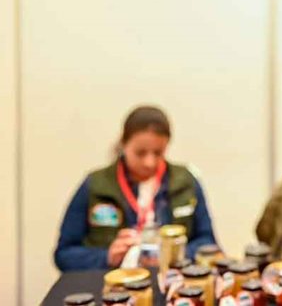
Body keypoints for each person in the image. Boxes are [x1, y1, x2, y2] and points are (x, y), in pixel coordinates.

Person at [54, 106, 217, 271]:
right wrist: (107, 257)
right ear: (124, 145)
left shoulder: (186, 182)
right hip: (113, 287)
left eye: (158, 152)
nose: (149, 162)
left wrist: (173, 255)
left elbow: (208, 242)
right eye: (140, 153)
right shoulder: (95, 185)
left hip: (173, 283)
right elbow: (64, 255)